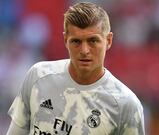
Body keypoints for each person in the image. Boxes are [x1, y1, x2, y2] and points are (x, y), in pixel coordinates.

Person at [6, 2, 145, 135]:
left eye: (93, 41)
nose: (84, 50)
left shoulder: (126, 105)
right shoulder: (38, 76)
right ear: (66, 40)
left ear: (108, 40)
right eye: (76, 41)